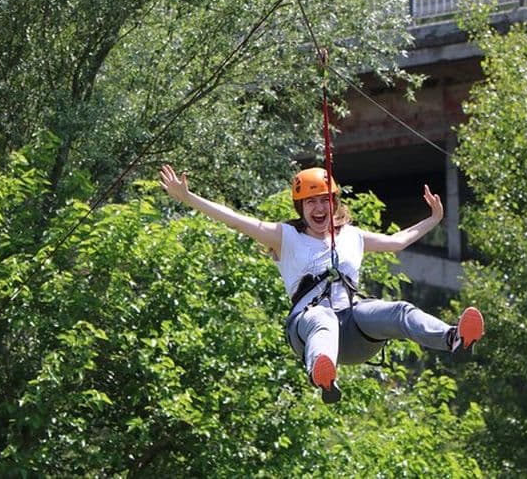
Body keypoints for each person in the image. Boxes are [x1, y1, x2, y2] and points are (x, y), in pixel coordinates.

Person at [159, 164, 484, 404]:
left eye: (324, 200)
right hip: (309, 326)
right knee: (323, 318)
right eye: (311, 202)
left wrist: (433, 219)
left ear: (334, 203)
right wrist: (187, 198)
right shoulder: (285, 237)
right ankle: (323, 374)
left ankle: (452, 337)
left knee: (398, 310)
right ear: (301, 208)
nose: (319, 208)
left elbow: (396, 241)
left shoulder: (352, 236)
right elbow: (231, 218)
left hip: (356, 327)